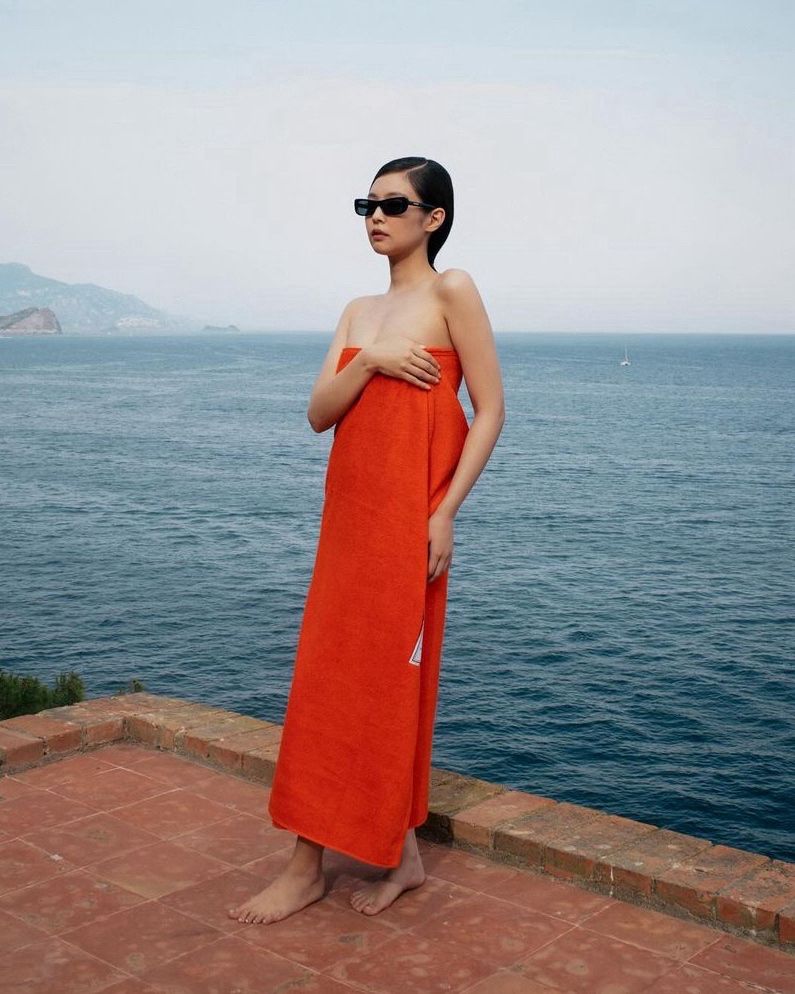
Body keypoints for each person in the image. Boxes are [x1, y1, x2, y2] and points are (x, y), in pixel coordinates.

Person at [229, 156, 505, 925]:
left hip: (406, 526)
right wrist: (374, 360)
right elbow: (319, 412)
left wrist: (444, 513)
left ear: (433, 218)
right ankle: (338, 861)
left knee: (384, 689)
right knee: (327, 682)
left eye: (392, 205)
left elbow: (490, 410)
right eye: (366, 204)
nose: (375, 217)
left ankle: (359, 856)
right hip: (348, 526)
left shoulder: (452, 291)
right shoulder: (357, 311)